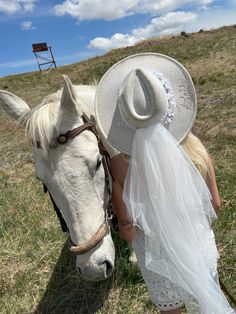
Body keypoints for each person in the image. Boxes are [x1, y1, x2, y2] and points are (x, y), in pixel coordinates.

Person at [95, 53, 235, 314]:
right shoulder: (197, 150)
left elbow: (127, 230)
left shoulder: (119, 165)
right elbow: (214, 206)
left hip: (159, 264)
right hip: (199, 250)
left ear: (124, 118)